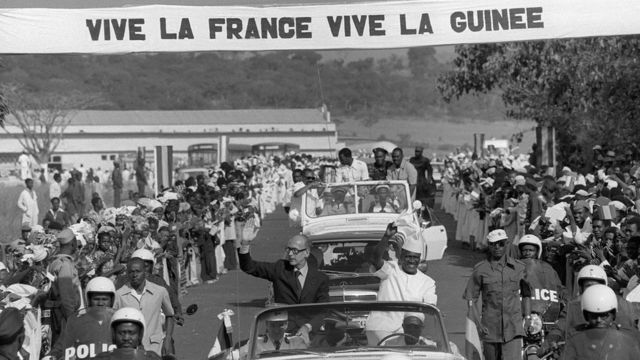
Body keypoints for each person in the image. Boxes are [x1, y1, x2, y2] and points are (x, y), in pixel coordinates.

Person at [238, 234, 329, 335]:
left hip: (309, 335)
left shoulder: (320, 278)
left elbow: (323, 310)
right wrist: (245, 243)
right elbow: (249, 267)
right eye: (288, 249)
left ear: (306, 252)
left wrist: (308, 327)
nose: (290, 254)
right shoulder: (280, 269)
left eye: (295, 250)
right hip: (282, 334)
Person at [463, 229, 532, 360]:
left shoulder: (519, 268)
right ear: (488, 245)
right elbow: (471, 299)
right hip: (490, 329)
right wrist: (478, 323)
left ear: (507, 244)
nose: (497, 247)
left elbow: (527, 294)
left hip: (513, 328)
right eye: (493, 244)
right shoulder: (480, 269)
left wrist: (527, 318)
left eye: (501, 243)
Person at [365, 223, 437, 345]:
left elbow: (429, 306)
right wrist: (386, 237)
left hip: (409, 332)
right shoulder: (391, 269)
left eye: (415, 257)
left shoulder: (428, 282)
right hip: (381, 328)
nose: (412, 260)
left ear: (419, 259)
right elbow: (375, 258)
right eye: (408, 256)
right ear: (402, 256)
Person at [546, 265, 638, 346]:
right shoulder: (573, 306)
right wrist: (553, 338)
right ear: (581, 289)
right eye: (588, 286)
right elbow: (561, 326)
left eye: (596, 285)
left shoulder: (618, 304)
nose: (593, 289)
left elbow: (630, 328)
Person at [114, 258, 174, 357]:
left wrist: (167, 339)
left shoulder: (160, 291)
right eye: (131, 272)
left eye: (138, 271)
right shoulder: (119, 295)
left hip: (155, 348)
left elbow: (170, 316)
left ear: (145, 272)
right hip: (130, 350)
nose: (134, 275)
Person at [563, 284, 640, 360]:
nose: (599, 320)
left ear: (613, 315)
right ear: (586, 316)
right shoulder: (576, 337)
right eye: (594, 316)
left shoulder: (629, 335)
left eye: (604, 316)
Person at [52, 277, 117, 360]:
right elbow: (61, 346)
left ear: (112, 300)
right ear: (88, 300)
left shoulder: (119, 322)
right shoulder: (76, 321)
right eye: (96, 299)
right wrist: (52, 356)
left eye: (105, 299)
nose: (100, 303)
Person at [47, 228, 82, 346]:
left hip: (59, 313)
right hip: (64, 315)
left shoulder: (56, 262)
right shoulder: (65, 265)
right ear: (72, 243)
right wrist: (71, 321)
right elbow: (66, 297)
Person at [518, 235, 564, 320]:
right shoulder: (514, 267)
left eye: (531, 250)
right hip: (519, 312)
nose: (527, 253)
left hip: (543, 314)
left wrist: (562, 297)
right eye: (524, 250)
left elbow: (558, 287)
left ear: (537, 252)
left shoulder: (548, 268)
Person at [93, 307, 160, 360]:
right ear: (113, 334)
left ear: (140, 335)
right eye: (121, 333)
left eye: (132, 333)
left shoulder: (151, 358)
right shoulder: (102, 358)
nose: (126, 338)